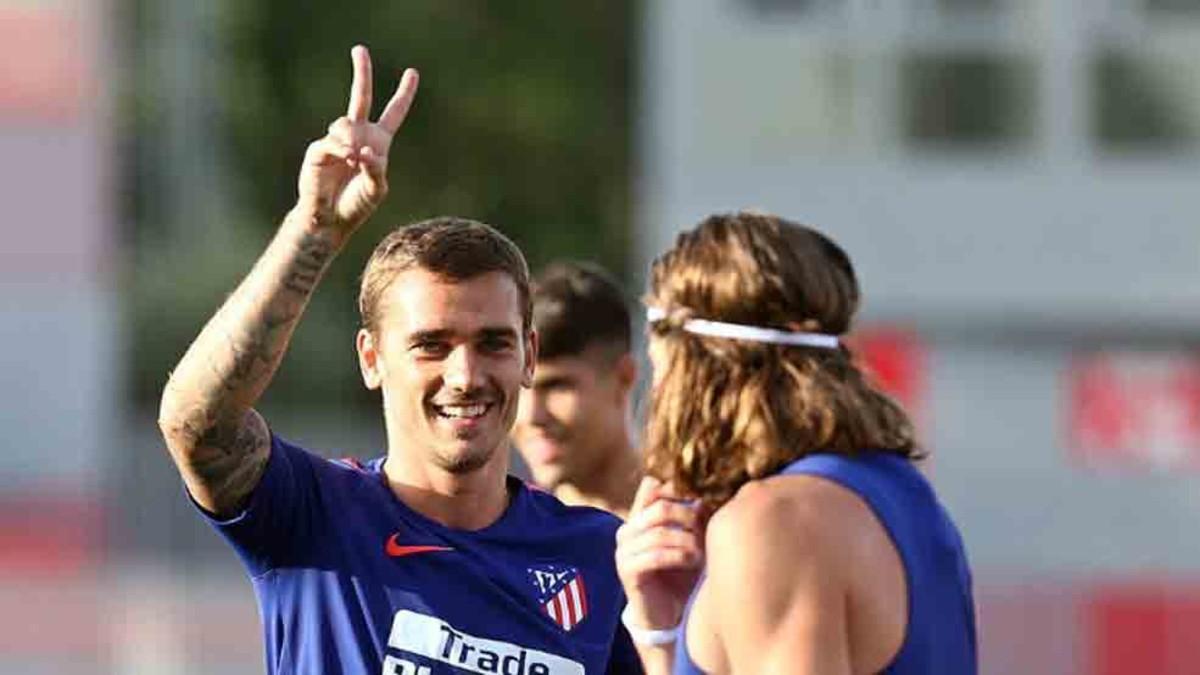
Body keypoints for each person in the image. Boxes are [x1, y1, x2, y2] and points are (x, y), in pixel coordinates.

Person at [158, 45, 640, 675]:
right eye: (431, 345)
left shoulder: (598, 556)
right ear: (372, 358)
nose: (465, 377)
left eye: (493, 342)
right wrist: (313, 231)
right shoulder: (315, 516)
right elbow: (198, 423)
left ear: (529, 354)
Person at [614, 212, 977, 674]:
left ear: (694, 370)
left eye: (659, 364)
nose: (657, 395)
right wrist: (663, 634)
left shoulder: (774, 524)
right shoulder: (905, 497)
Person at [511, 261, 641, 519]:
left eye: (556, 386)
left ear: (623, 379)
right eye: (519, 386)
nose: (531, 416)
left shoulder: (703, 528)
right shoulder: (514, 541)